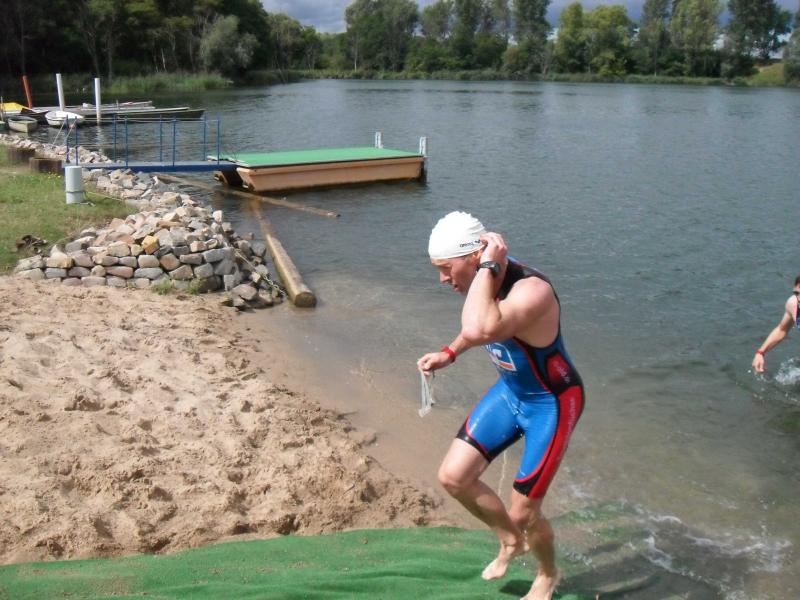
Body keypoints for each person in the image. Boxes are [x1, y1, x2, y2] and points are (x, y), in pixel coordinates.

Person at [417, 211, 585, 600]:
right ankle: (511, 541)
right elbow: (476, 326)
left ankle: (548, 573)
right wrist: (449, 353)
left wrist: (487, 267)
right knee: (454, 477)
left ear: (476, 256)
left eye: (446, 268)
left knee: (525, 511)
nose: (442, 279)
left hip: (551, 404)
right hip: (510, 394)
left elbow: (481, 327)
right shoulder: (485, 277)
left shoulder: (531, 291)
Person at [752, 276, 800, 373]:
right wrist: (760, 352)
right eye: (797, 293)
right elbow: (782, 329)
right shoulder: (793, 304)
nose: (799, 298)